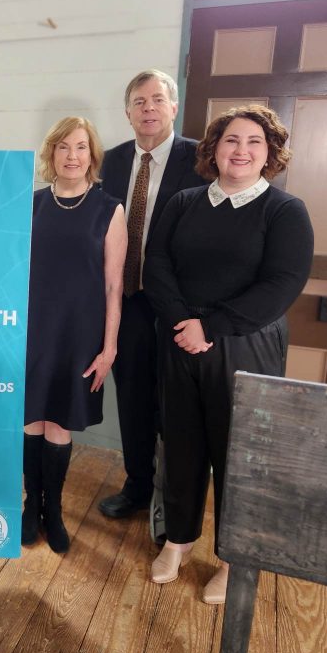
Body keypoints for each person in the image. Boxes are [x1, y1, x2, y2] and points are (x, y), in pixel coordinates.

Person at [143, 105, 313, 604]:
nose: (241, 150)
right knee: (180, 444)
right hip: (179, 338)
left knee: (238, 455)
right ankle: (178, 540)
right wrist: (183, 322)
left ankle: (235, 558)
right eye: (231, 140)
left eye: (253, 142)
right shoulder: (183, 202)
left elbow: (281, 285)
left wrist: (209, 327)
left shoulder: (285, 211)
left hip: (245, 342)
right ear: (213, 149)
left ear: (269, 153)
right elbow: (156, 264)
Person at [97, 69, 206, 520]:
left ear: (174, 107)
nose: (149, 109)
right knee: (134, 398)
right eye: (139, 102)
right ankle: (138, 485)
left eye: (157, 99)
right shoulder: (110, 161)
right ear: (127, 112)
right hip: (130, 300)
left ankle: (176, 500)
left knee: (178, 404)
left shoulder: (202, 159)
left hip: (182, 305)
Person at [23, 117, 128, 553]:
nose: (72, 155)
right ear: (51, 154)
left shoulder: (109, 209)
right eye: (63, 147)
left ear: (92, 155)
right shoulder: (29, 204)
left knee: (61, 421)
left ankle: (54, 510)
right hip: (32, 330)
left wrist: (109, 348)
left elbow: (113, 285)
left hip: (80, 331)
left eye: (81, 147)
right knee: (31, 420)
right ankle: (31, 507)